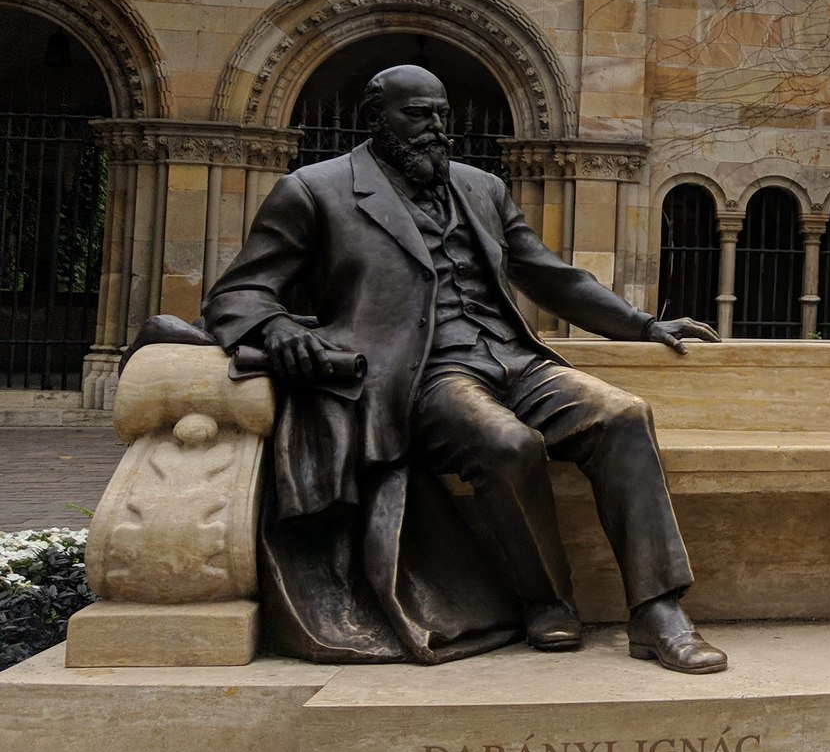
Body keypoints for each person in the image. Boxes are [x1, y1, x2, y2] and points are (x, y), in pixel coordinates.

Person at [204, 64, 728, 672]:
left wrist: (642, 324)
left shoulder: (481, 188)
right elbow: (238, 294)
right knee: (505, 443)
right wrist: (279, 327)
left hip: (513, 358)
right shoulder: (314, 190)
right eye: (417, 114)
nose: (435, 128)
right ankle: (547, 601)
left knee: (623, 414)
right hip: (422, 375)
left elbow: (549, 275)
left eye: (442, 115)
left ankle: (659, 611)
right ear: (376, 119)